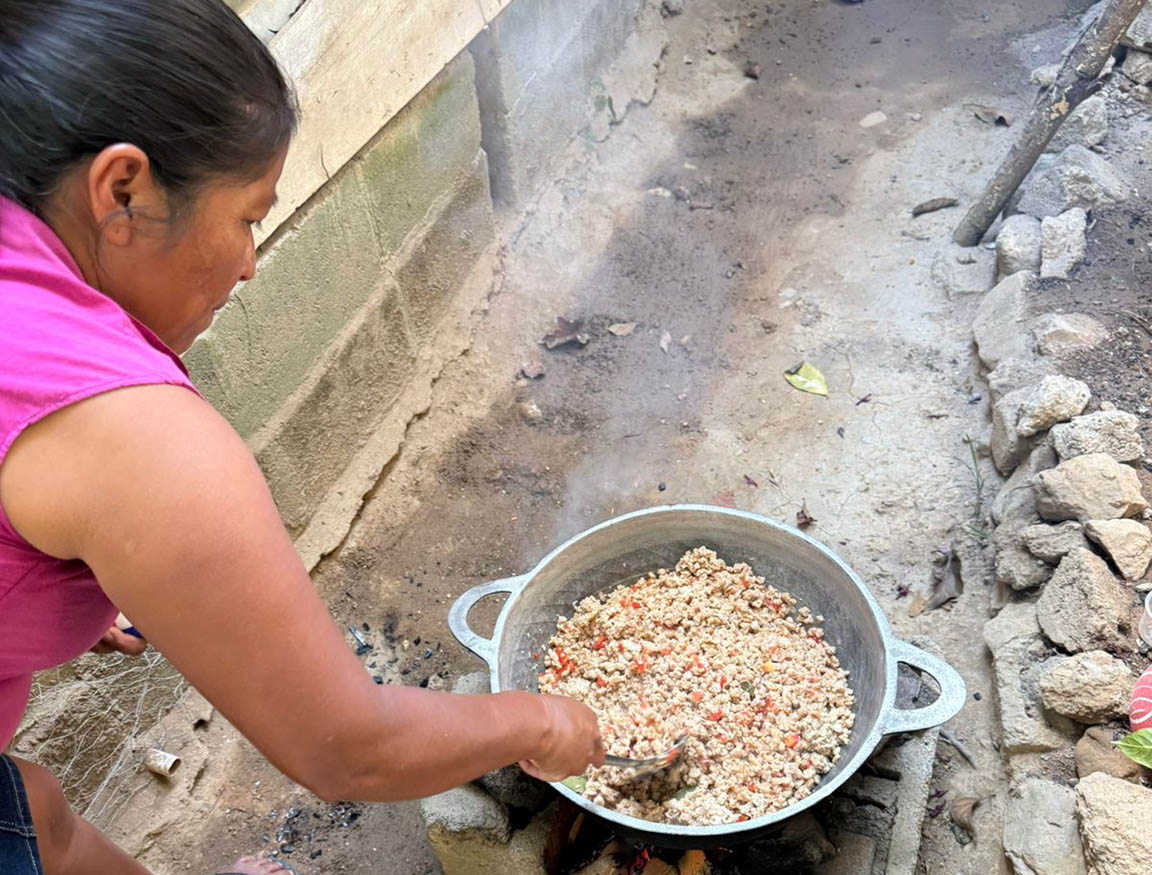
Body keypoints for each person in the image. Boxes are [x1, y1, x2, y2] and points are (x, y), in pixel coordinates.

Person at [0, 1, 605, 872]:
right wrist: (540, 720)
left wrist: (61, 587)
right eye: (248, 217)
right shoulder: (131, 435)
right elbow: (349, 748)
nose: (251, 263)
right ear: (122, 191)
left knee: (35, 812)